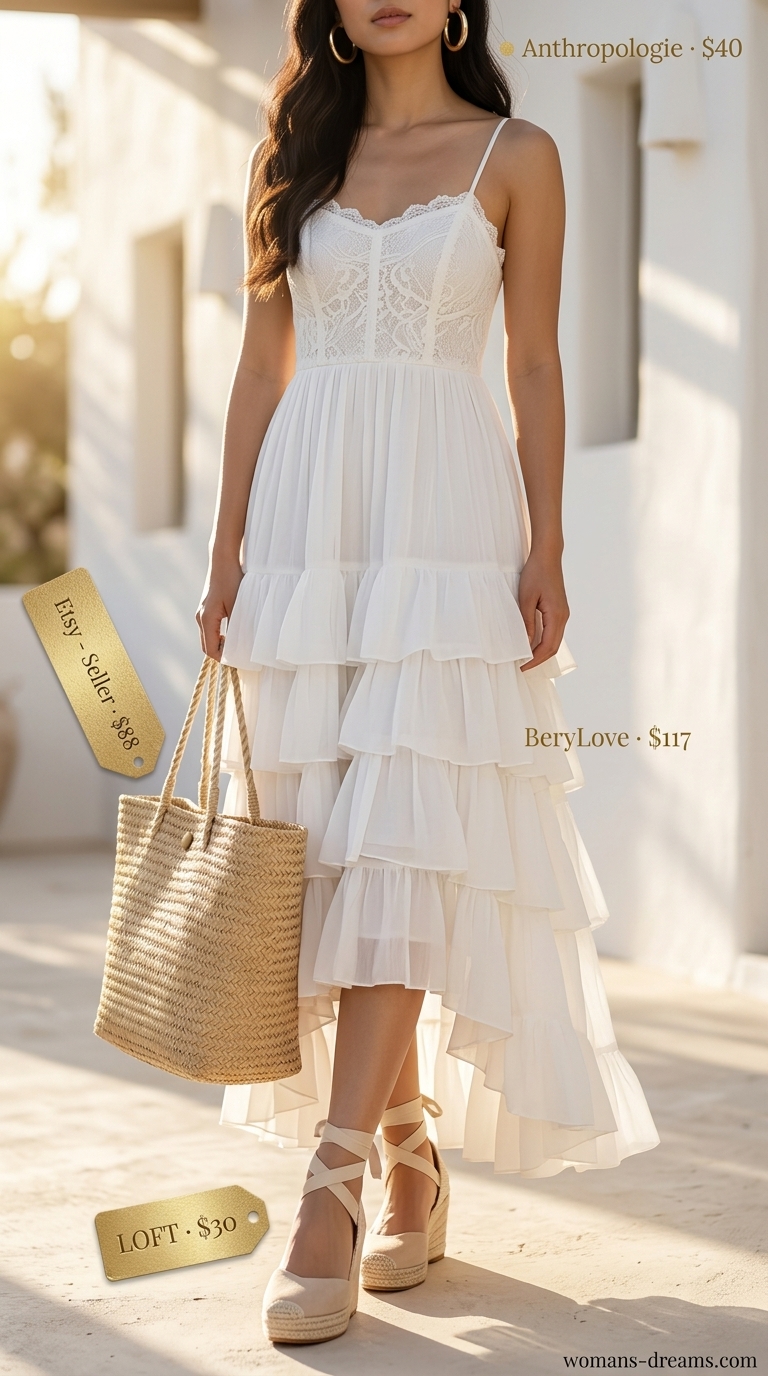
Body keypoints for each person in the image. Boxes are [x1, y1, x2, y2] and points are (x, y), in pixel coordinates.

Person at [196, 0, 659, 1346]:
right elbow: (257, 365)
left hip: (446, 523)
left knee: (403, 828)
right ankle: (406, 1144)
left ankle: (326, 1192)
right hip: (305, 524)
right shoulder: (294, 148)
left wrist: (550, 544)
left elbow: (531, 359)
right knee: (319, 844)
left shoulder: (517, 152)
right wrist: (225, 553)